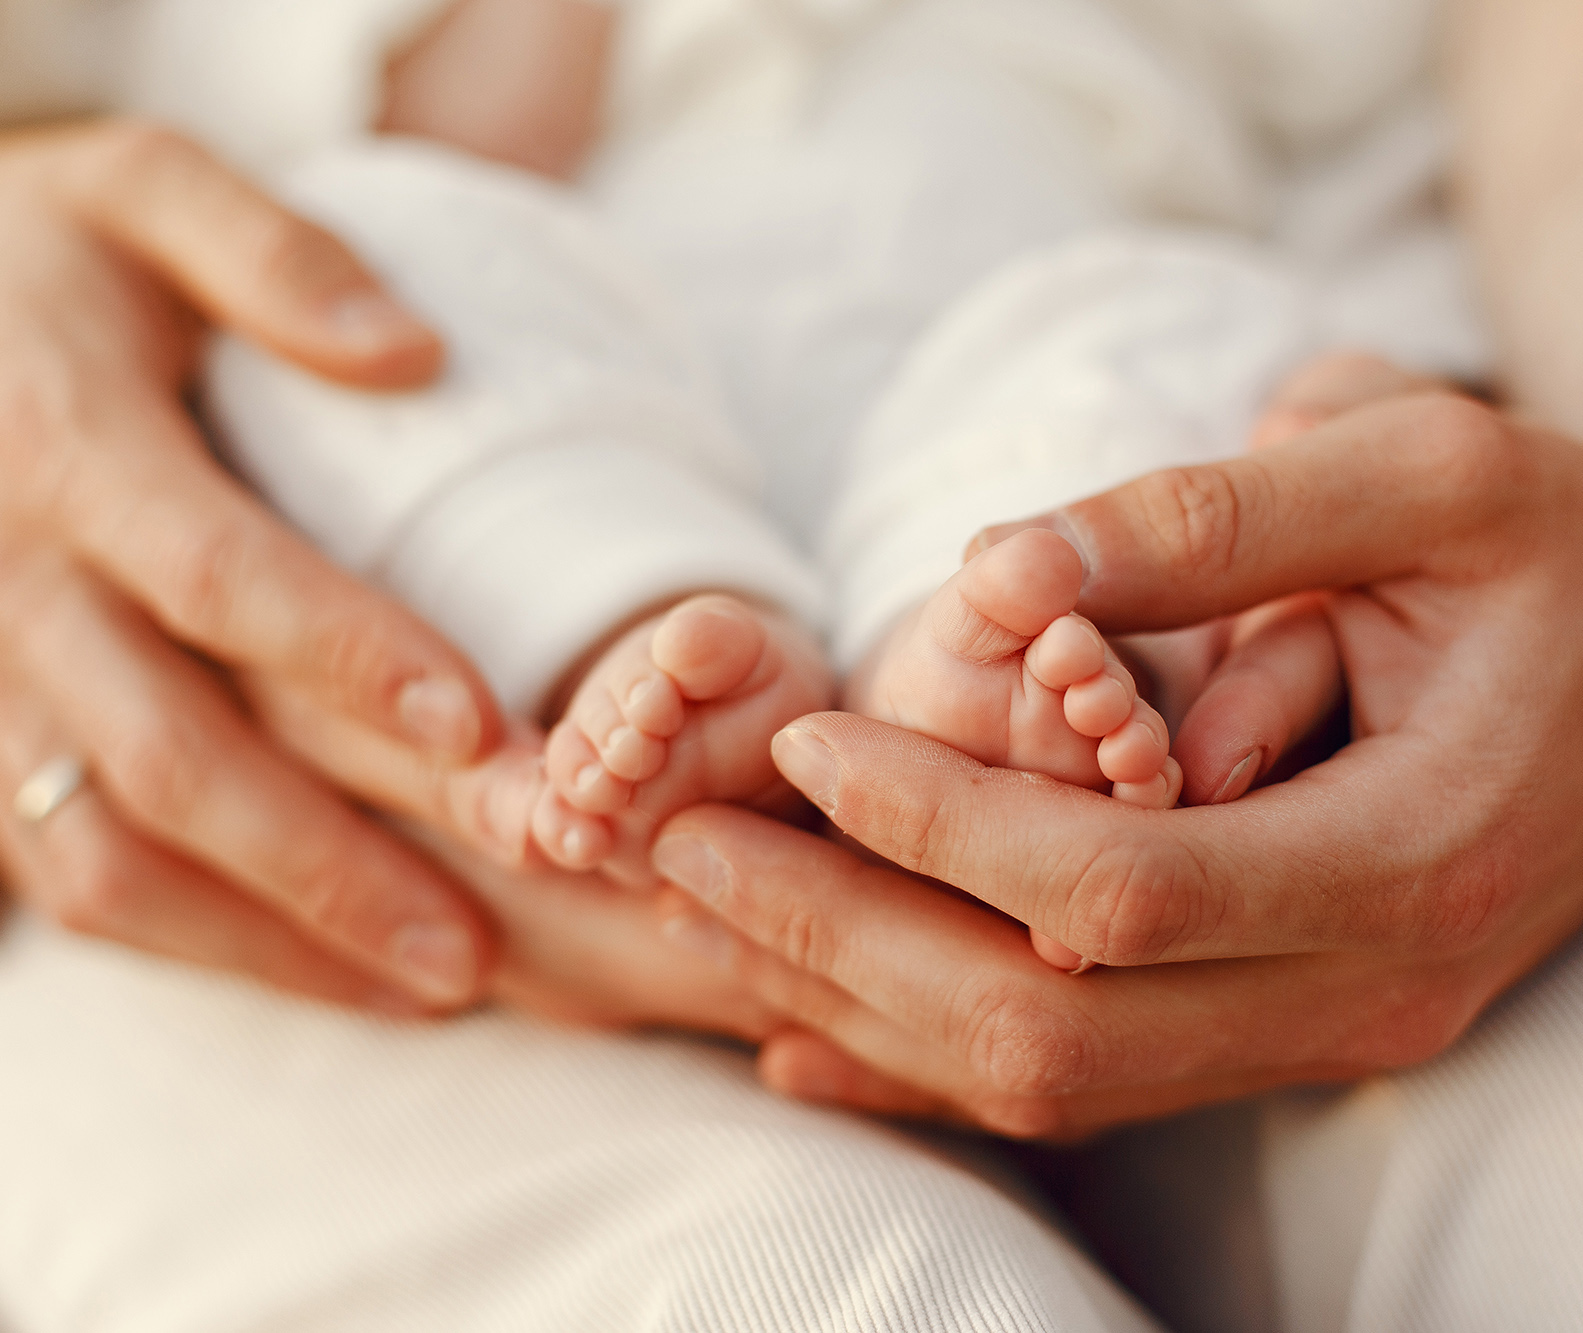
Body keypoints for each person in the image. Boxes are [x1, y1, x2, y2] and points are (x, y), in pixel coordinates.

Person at [0, 2, 1581, 1333]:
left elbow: (1391, 131)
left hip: (1017, 340)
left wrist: (1429, 405)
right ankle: (646, 624)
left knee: (1169, 343)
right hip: (574, 350)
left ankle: (961, 676)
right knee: (366, 286)